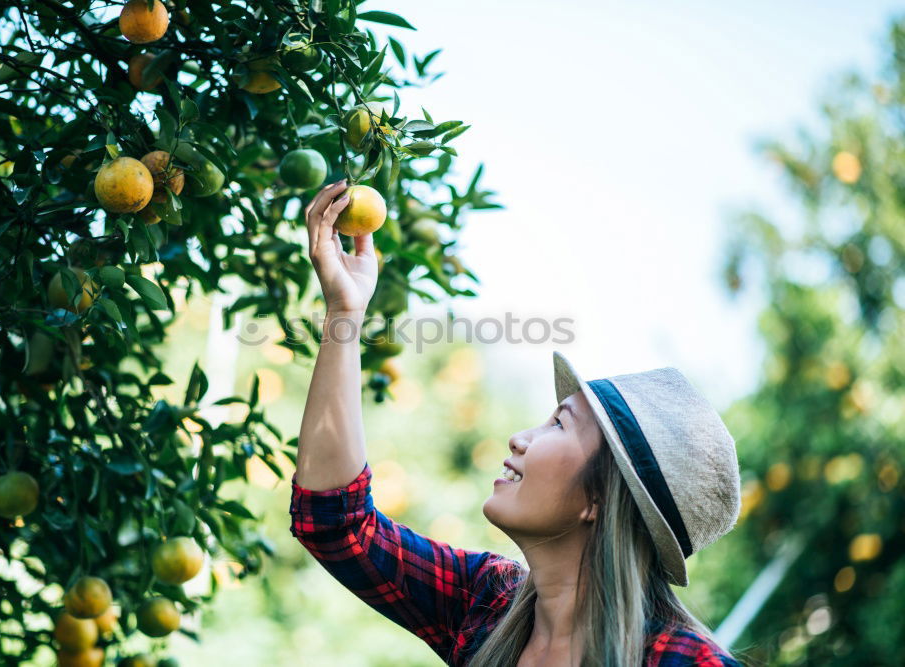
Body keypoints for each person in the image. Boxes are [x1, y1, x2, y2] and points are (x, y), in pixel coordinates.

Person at [290, 180, 745, 666]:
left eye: (558, 425)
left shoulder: (680, 661)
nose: (521, 437)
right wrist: (345, 312)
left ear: (601, 496)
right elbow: (338, 526)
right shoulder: (487, 604)